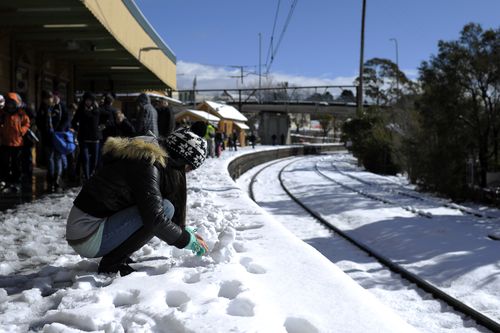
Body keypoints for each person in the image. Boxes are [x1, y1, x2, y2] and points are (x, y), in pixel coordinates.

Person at [66, 127, 209, 275]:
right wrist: (185, 240)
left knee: (161, 207)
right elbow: (154, 218)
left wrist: (182, 230)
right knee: (165, 209)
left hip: (84, 229)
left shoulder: (146, 157)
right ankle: (112, 263)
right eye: (189, 168)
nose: (186, 173)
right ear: (180, 159)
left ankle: (117, 257)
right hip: (86, 235)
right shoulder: (146, 165)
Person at [0, 92, 30, 193]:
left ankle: (16, 181)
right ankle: (5, 181)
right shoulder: (3, 113)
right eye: (8, 103)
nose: (10, 105)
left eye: (12, 103)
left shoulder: (21, 113)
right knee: (4, 163)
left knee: (16, 164)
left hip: (17, 143)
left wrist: (22, 131)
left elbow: (27, 123)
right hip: (5, 143)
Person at [71, 92, 100, 181]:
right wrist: (76, 128)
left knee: (94, 161)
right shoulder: (80, 110)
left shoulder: (96, 110)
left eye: (90, 100)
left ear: (92, 101)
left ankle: (90, 174)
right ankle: (87, 178)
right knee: (85, 159)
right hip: (83, 138)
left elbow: (97, 120)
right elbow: (73, 121)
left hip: (94, 138)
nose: (88, 102)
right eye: (87, 100)